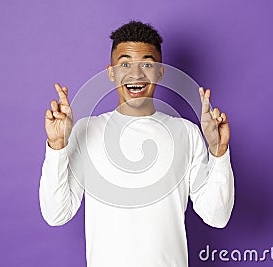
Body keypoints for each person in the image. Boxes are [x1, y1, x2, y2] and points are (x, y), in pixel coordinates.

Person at [39, 21, 234, 267]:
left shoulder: (187, 132)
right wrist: (57, 146)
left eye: (146, 64)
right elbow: (56, 214)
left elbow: (217, 216)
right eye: (125, 64)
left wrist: (219, 151)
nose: (136, 74)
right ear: (111, 73)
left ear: (160, 72)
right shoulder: (86, 131)